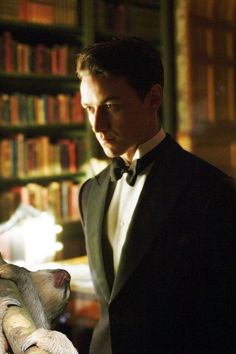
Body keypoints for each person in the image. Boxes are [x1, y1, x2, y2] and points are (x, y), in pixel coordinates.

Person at [76, 36, 236, 354]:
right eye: (89, 108)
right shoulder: (89, 194)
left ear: (153, 98)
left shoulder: (211, 190)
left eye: (111, 107)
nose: (97, 124)